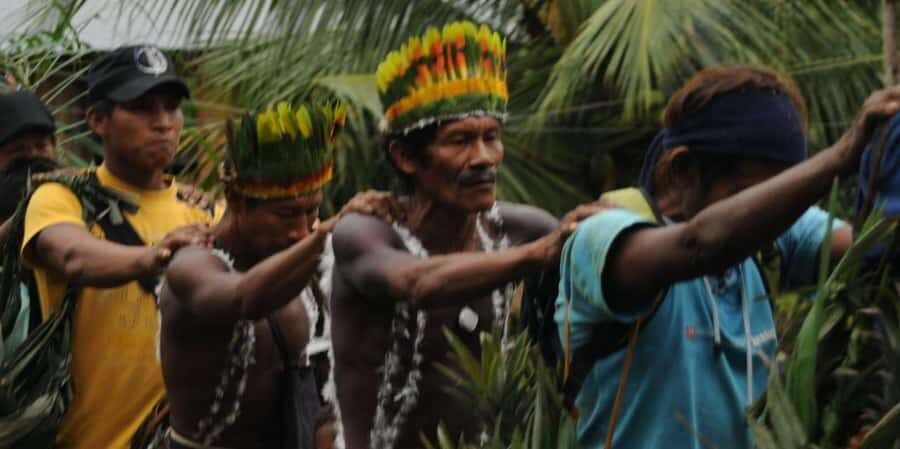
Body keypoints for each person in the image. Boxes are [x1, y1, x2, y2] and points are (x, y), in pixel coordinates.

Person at [554, 66, 900, 449]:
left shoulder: (771, 237)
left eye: (782, 194)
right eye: (754, 194)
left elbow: (873, 249)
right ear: (682, 170)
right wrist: (840, 156)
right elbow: (702, 244)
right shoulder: (600, 237)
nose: (771, 211)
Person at [331, 21, 606, 449]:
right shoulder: (365, 235)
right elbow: (415, 282)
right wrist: (538, 254)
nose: (483, 158)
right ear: (404, 157)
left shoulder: (523, 230)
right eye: (460, 140)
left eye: (491, 138)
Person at [157, 100, 400, 449]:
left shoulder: (309, 267)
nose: (300, 230)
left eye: (311, 212)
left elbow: (323, 387)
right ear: (235, 199)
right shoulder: (192, 266)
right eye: (286, 215)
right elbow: (242, 299)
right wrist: (323, 235)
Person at [19, 45, 215, 449]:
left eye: (171, 107)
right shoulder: (62, 198)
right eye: (143, 108)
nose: (163, 123)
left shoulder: (205, 213)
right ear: (97, 120)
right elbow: (73, 255)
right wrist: (156, 254)